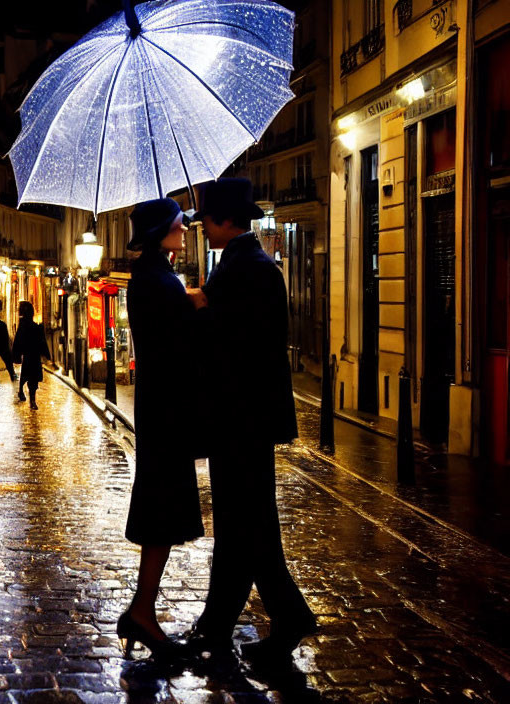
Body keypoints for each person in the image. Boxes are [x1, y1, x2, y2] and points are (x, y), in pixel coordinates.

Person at [185, 178, 315, 666]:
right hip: (242, 417)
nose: (203, 230)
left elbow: (237, 345)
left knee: (250, 524)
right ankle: (220, 622)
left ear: (225, 221)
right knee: (242, 524)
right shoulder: (244, 265)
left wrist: (200, 309)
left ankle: (289, 614)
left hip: (242, 417)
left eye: (207, 222)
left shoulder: (250, 269)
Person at [117, 197, 204, 660]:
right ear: (160, 232)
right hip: (166, 412)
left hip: (163, 409)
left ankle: (141, 609)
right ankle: (142, 612)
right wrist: (198, 301)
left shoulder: (153, 275)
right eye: (179, 223)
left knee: (162, 514)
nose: (186, 229)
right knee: (161, 513)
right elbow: (182, 332)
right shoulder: (155, 280)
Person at [11, 301, 51, 409]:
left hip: (30, 356)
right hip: (33, 356)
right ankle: (31, 400)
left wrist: (16, 355)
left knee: (28, 376)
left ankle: (25, 395)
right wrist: (46, 354)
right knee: (31, 378)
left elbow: (17, 342)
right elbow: (41, 342)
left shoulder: (25, 327)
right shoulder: (35, 327)